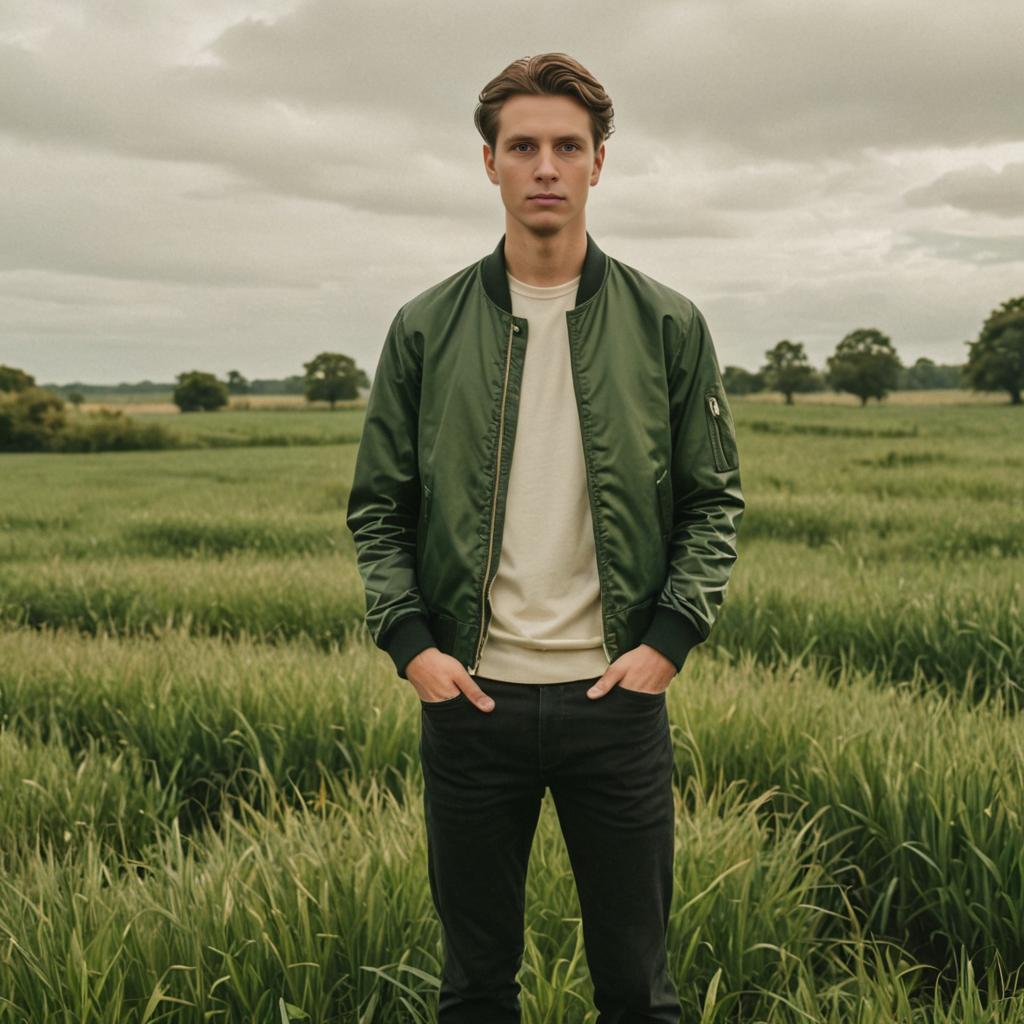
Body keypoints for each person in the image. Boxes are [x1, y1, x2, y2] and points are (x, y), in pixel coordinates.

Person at [346, 51, 744, 1024]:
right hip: (470, 703)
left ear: (599, 163)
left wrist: (665, 644)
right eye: (522, 146)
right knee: (475, 990)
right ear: (489, 163)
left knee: (637, 992)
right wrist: (414, 649)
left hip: (615, 702)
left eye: (567, 146)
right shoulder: (425, 329)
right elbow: (377, 505)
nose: (545, 166)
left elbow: (713, 499)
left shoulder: (666, 324)